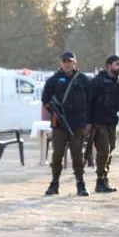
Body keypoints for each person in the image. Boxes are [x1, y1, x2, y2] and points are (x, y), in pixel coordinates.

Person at [42, 51, 92, 196]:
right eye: (64, 61)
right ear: (61, 63)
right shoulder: (53, 80)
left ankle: (80, 183)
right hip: (59, 125)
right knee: (57, 155)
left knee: (77, 156)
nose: (67, 64)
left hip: (77, 124)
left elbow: (90, 102)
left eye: (69, 61)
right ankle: (54, 183)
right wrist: (54, 113)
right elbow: (45, 100)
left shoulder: (83, 80)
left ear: (75, 62)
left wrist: (89, 122)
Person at [87, 54, 119, 193]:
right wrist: (88, 122)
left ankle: (104, 179)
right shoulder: (96, 82)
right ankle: (100, 181)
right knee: (104, 150)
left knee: (110, 150)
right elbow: (88, 103)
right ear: (108, 66)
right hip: (98, 122)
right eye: (117, 64)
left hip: (112, 122)